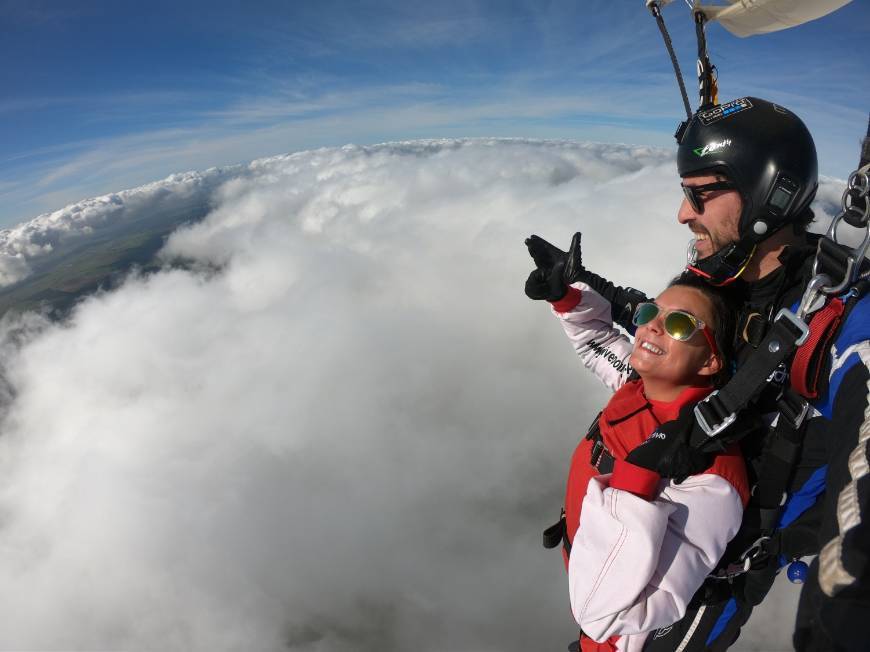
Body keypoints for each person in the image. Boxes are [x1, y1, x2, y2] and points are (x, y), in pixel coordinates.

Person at [532, 97, 870, 651]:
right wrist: (575, 288)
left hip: (695, 587)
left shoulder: (844, 322)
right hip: (627, 539)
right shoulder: (727, 270)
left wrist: (839, 620)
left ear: (769, 191)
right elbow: (664, 323)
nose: (683, 214)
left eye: (701, 193)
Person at [528, 263, 752, 651]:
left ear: (710, 362)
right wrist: (566, 298)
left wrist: (637, 478)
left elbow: (605, 614)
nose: (651, 326)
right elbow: (595, 339)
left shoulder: (708, 477)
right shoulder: (639, 389)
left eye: (680, 324)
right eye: (650, 312)